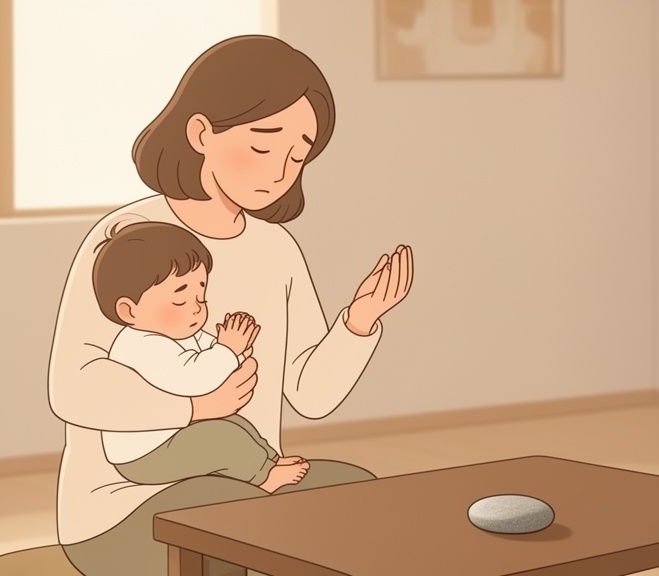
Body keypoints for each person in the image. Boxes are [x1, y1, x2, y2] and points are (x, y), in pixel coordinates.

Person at [49, 35, 414, 576]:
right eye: (264, 145)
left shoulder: (277, 249)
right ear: (201, 133)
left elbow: (308, 394)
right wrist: (197, 409)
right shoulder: (128, 238)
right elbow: (74, 388)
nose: (279, 171)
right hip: (124, 507)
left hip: (250, 483)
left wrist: (357, 324)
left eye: (298, 155)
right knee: (222, 527)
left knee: (359, 498)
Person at [92, 221, 310, 493]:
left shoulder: (177, 332)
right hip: (145, 455)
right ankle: (264, 477)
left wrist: (237, 349)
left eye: (201, 296)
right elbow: (192, 378)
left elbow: (211, 357)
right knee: (221, 438)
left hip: (176, 433)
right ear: (129, 311)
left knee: (236, 424)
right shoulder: (139, 346)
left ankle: (270, 461)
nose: (196, 309)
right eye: (180, 300)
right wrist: (227, 350)